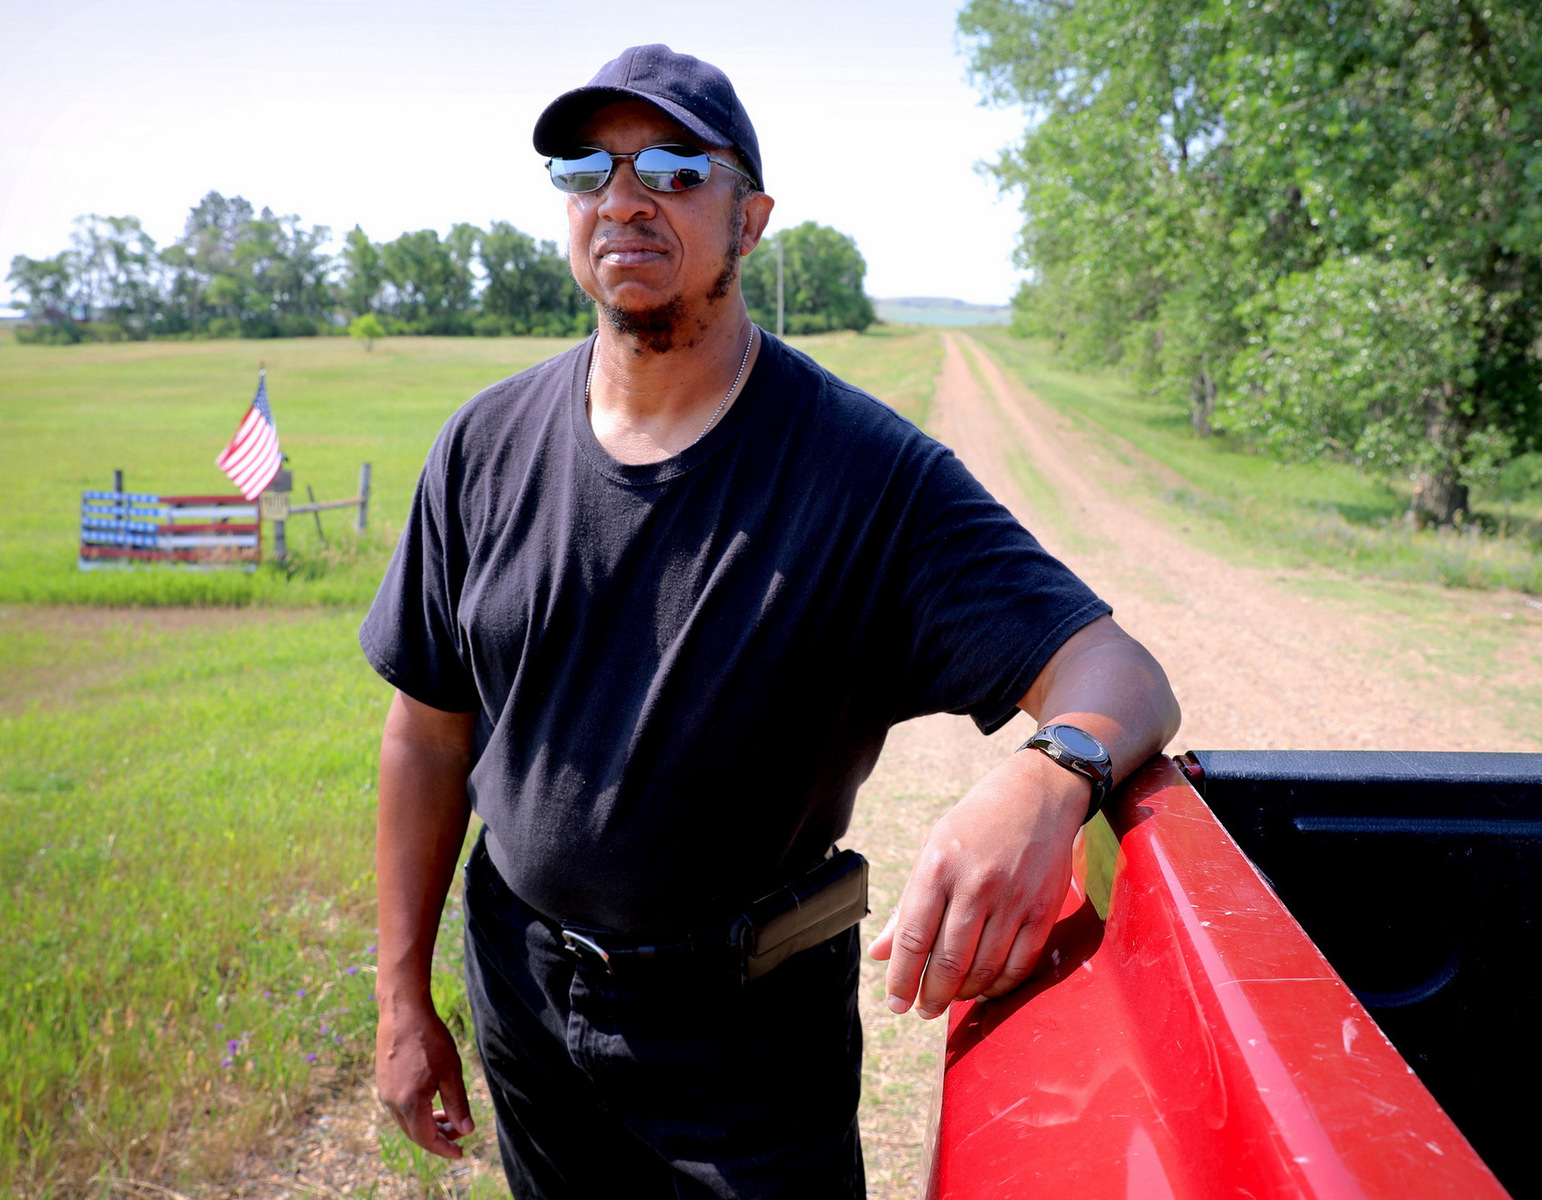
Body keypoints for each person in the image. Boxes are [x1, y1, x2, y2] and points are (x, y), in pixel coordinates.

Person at [360, 43, 1180, 1200]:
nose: (624, 196)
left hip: (745, 1040)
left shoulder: (870, 478)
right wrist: (403, 995)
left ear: (751, 219)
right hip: (524, 991)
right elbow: (427, 736)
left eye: (676, 167)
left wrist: (1048, 782)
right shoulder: (482, 448)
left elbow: (1121, 671)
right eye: (586, 168)